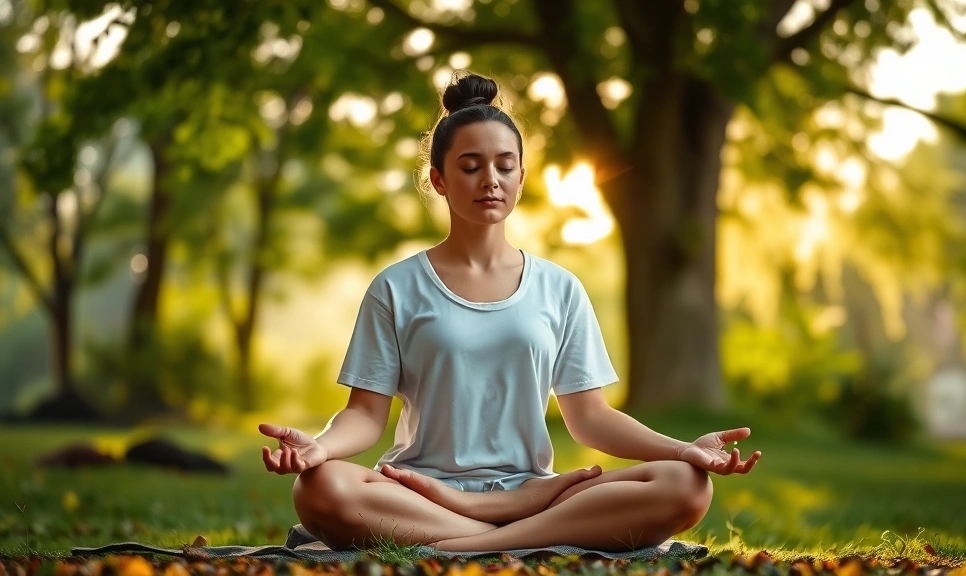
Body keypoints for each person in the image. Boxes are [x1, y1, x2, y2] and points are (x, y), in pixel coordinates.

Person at [259, 71, 761, 553]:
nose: (490, 180)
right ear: (438, 179)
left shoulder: (560, 288)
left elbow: (590, 418)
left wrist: (682, 450)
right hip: (418, 491)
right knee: (319, 489)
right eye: (470, 166)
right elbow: (365, 416)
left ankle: (475, 539)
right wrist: (319, 449)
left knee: (686, 485)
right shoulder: (396, 287)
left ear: (521, 176)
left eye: (504, 165)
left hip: (534, 489)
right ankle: (515, 533)